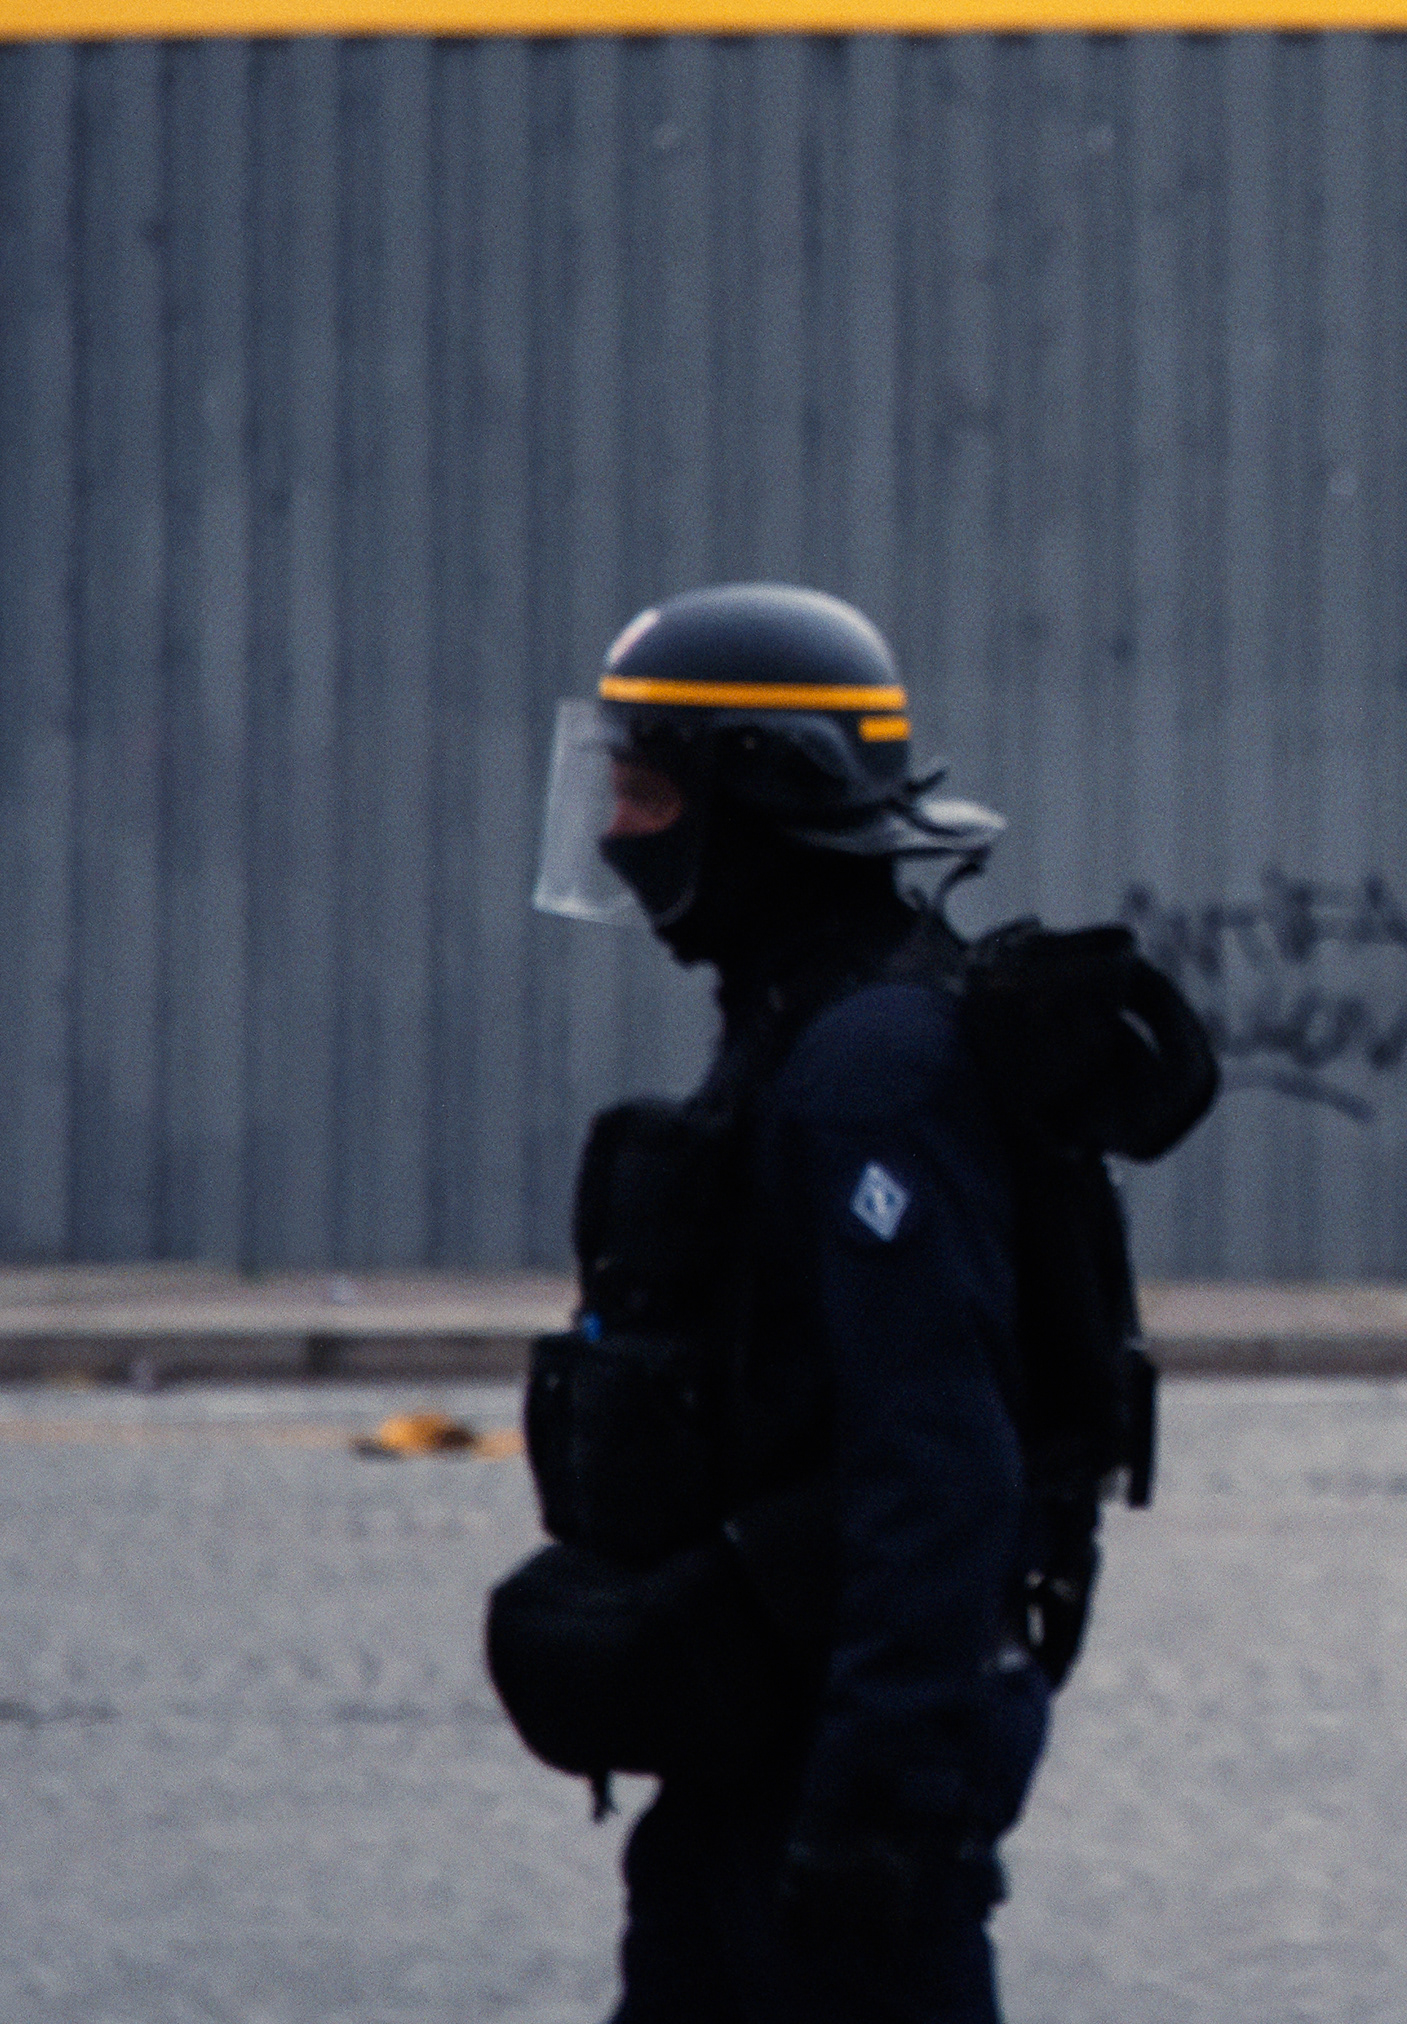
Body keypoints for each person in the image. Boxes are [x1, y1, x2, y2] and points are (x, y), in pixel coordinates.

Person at [482, 582, 1215, 2024]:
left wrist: (879, 1810)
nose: (621, 832)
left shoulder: (870, 1069)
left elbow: (935, 1467)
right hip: (788, 1739)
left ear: (753, 790)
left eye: (642, 791)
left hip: (840, 1754)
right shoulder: (807, 1021)